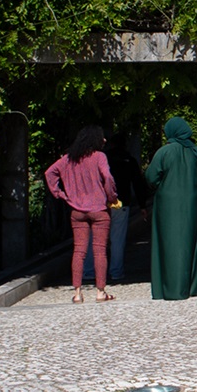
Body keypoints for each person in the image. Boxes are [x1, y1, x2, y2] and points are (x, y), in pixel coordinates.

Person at [45, 125, 117, 302]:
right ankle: (100, 292)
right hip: (99, 209)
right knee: (99, 250)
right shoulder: (99, 157)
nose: (105, 140)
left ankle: (77, 293)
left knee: (79, 250)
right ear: (95, 140)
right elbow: (107, 177)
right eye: (102, 137)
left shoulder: (69, 159)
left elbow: (49, 173)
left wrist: (60, 194)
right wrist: (111, 196)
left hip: (77, 210)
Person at [144, 117, 197, 301]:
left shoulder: (164, 152)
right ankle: (192, 285)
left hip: (167, 205)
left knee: (169, 244)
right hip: (190, 203)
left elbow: (151, 176)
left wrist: (163, 186)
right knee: (190, 241)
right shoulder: (195, 152)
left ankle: (171, 288)